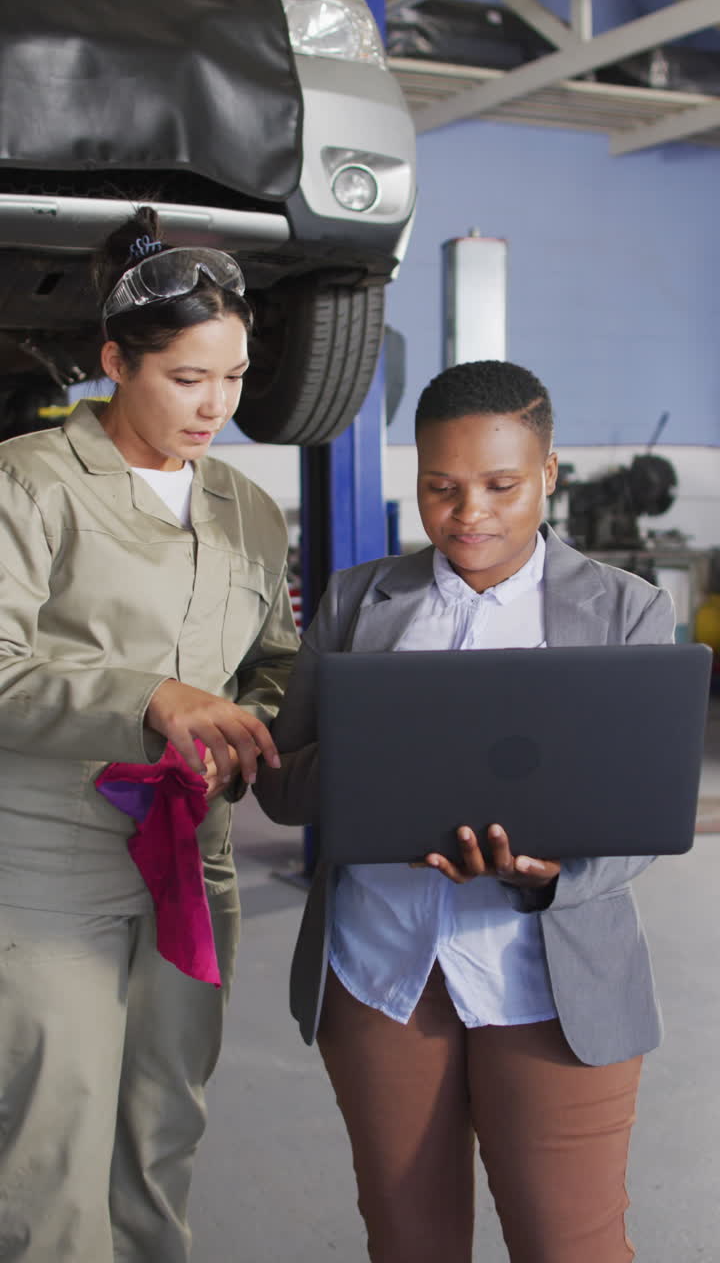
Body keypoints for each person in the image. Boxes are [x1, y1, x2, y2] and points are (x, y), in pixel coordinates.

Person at [255, 359, 675, 1263]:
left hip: (551, 983)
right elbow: (284, 790)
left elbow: (644, 811)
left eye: (500, 484)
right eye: (440, 487)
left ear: (550, 474)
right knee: (410, 1243)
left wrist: (554, 872)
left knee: (573, 1244)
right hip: (383, 974)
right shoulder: (358, 602)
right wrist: (387, 748)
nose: (468, 512)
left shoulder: (626, 610)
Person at [0, 207, 299, 1262]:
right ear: (115, 359)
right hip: (50, 859)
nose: (215, 404)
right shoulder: (29, 483)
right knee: (52, 1138)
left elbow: (271, 666)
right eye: (186, 377)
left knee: (165, 1118)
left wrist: (248, 725)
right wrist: (152, 696)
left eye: (232, 376)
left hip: (192, 856)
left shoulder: (250, 510)